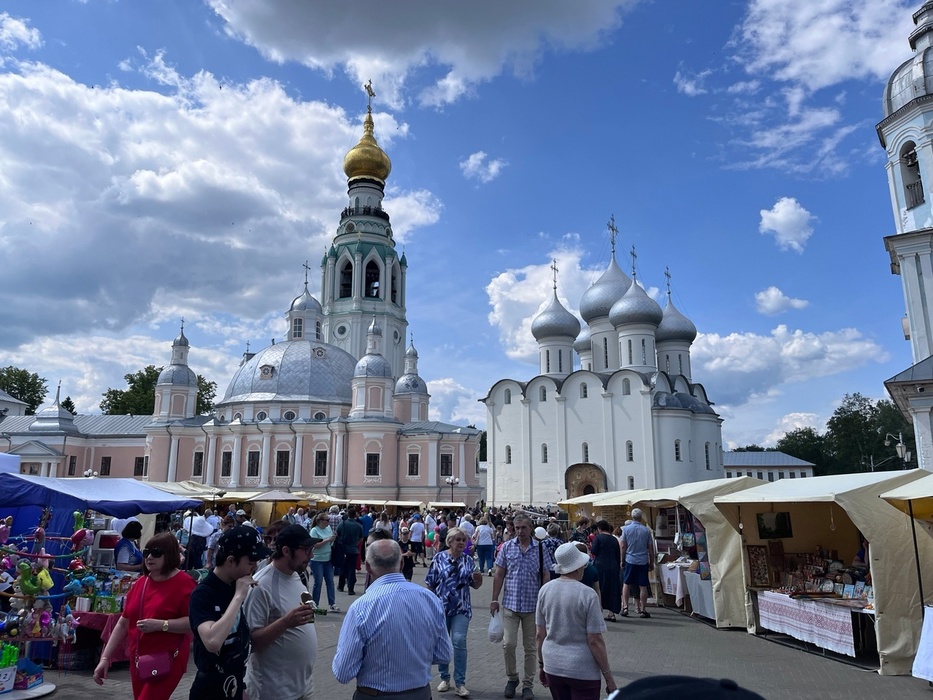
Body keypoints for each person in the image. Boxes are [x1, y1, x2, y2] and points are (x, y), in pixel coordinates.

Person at [333, 539, 452, 700]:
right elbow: (444, 654)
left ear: (368, 567)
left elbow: (343, 672)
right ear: (401, 563)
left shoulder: (361, 607)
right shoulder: (430, 599)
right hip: (420, 693)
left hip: (376, 694)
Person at [93, 532, 197, 700]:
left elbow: (194, 622)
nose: (149, 557)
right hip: (139, 660)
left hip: (168, 659)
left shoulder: (185, 584)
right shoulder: (141, 583)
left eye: (156, 552)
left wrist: (161, 624)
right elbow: (123, 623)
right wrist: (105, 657)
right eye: (146, 552)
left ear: (169, 554)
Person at [188, 525, 271, 700]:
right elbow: (212, 641)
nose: (255, 567)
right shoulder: (204, 593)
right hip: (210, 690)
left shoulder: (234, 584)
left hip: (234, 683)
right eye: (250, 562)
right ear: (230, 560)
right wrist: (238, 597)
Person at [244, 524, 319, 700]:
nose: (312, 555)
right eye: (307, 550)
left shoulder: (297, 575)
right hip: (274, 690)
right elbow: (250, 643)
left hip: (302, 685)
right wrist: (285, 622)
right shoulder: (260, 586)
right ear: (286, 551)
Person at [535, 542, 616, 700]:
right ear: (578, 567)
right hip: (582, 669)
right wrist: (608, 677)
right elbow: (595, 640)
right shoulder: (588, 594)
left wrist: (541, 664)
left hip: (553, 664)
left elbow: (540, 634)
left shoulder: (545, 590)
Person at [490, 513, 554, 700]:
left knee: (531, 648)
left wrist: (545, 601)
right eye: (516, 528)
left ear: (530, 528)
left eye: (523, 528)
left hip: (532, 607)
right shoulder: (507, 548)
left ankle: (528, 684)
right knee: (508, 644)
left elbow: (546, 575)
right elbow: (499, 574)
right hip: (510, 604)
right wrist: (494, 599)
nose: (519, 531)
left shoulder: (540, 549)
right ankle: (512, 678)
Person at [425, 527, 484, 697]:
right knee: (442, 642)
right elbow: (430, 582)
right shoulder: (439, 558)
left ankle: (460, 682)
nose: (461, 542)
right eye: (457, 539)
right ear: (449, 541)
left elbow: (476, 585)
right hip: (441, 607)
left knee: (458, 641)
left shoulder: (468, 560)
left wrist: (478, 581)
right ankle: (444, 677)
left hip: (461, 607)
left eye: (463, 540)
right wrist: (429, 604)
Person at [619, 509, 656, 619]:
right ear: (641, 517)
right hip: (643, 560)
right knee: (643, 585)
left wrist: (622, 560)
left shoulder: (626, 529)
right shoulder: (646, 530)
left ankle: (625, 607)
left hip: (630, 559)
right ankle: (643, 609)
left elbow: (623, 546)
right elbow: (650, 548)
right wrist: (652, 562)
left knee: (627, 583)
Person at [590, 521, 622, 622]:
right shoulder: (614, 539)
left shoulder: (598, 538)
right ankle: (611, 613)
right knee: (612, 588)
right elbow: (618, 554)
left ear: (599, 528)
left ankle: (599, 610)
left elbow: (594, 551)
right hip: (613, 566)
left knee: (599, 588)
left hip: (600, 565)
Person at [309, 512, 340, 611]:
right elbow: (315, 545)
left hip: (328, 558)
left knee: (330, 582)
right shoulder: (314, 530)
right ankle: (315, 603)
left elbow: (330, 541)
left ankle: (332, 603)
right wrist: (327, 540)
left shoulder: (328, 528)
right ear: (320, 521)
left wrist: (333, 539)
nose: (329, 522)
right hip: (317, 559)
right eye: (327, 520)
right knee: (318, 582)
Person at [336, 507, 364, 595]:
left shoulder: (342, 524)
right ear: (355, 515)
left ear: (348, 514)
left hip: (343, 549)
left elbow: (337, 534)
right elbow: (361, 538)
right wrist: (356, 543)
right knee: (352, 569)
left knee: (343, 568)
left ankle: (341, 586)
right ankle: (350, 588)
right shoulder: (359, 526)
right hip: (354, 549)